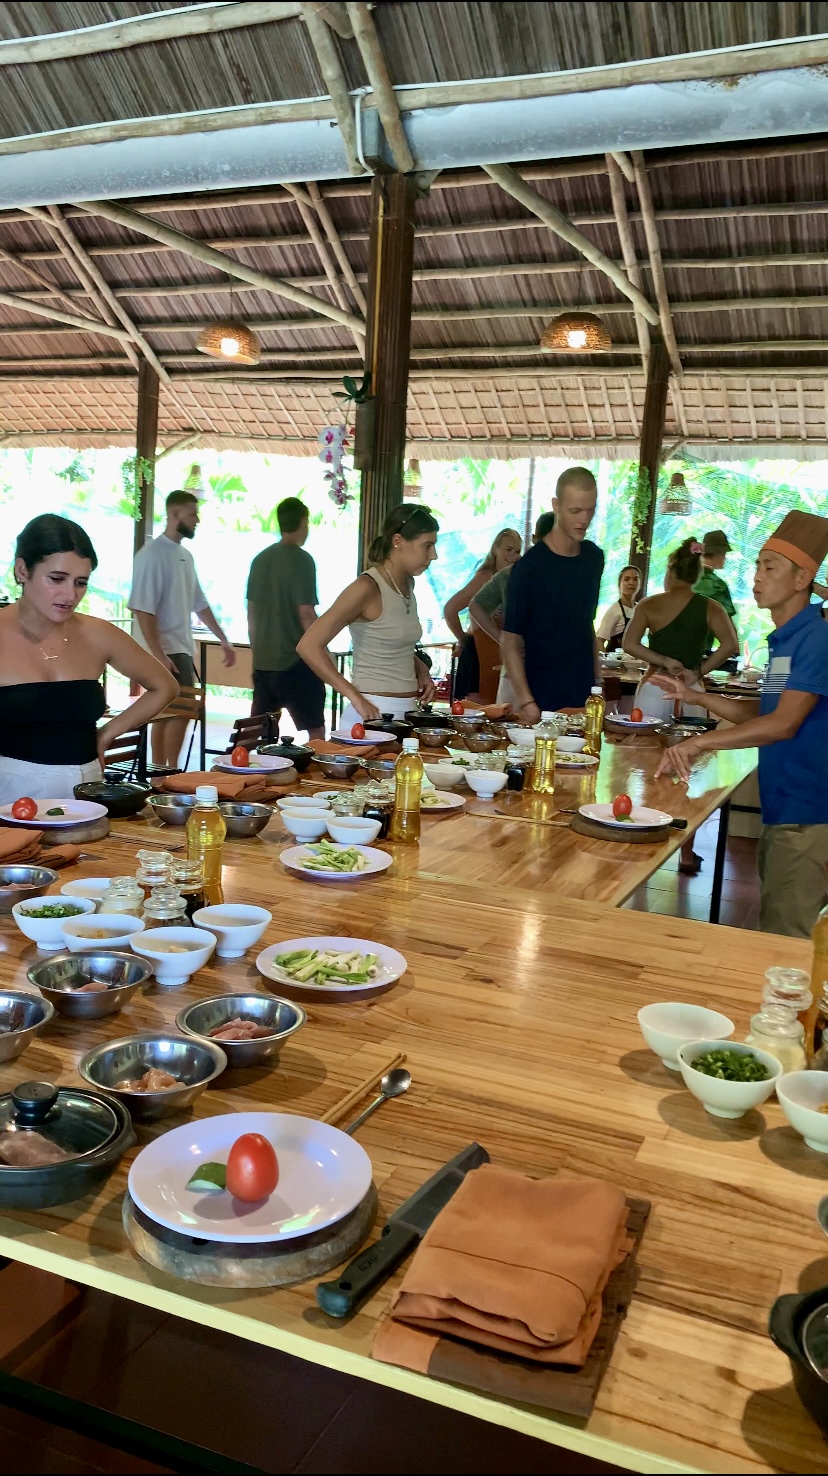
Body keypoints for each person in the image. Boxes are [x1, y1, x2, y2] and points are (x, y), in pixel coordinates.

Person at [653, 511, 828, 938]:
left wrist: (700, 743)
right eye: (757, 565)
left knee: (788, 942)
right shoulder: (787, 638)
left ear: (802, 579)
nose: (757, 576)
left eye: (770, 567)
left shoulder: (816, 638)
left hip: (808, 814)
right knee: (780, 930)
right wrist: (697, 697)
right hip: (785, 808)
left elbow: (783, 725)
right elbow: (765, 715)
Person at [0, 514, 177, 807]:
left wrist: (107, 734)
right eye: (57, 579)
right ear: (22, 570)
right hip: (10, 794)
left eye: (81, 582)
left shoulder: (98, 633)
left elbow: (165, 686)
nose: (70, 594)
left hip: (88, 789)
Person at [297, 503, 439, 728]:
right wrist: (354, 697)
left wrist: (420, 668)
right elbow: (308, 646)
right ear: (398, 541)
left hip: (407, 713)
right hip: (371, 715)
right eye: (427, 545)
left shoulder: (407, 584)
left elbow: (388, 641)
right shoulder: (366, 587)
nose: (434, 555)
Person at [129, 490, 236, 769]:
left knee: (171, 711)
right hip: (164, 650)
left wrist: (223, 639)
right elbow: (142, 609)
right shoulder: (151, 555)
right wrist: (158, 654)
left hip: (180, 647)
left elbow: (199, 603)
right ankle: (168, 770)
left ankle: (163, 771)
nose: (197, 519)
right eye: (192, 514)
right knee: (179, 710)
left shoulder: (185, 556)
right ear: (174, 514)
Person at [502, 469, 603, 721]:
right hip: (540, 694)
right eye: (575, 511)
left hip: (583, 693)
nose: (584, 519)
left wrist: (598, 683)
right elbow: (510, 640)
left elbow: (586, 623)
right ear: (556, 506)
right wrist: (527, 702)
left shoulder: (593, 558)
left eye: (590, 510)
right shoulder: (529, 568)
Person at [622, 538, 739, 722]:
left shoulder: (648, 604)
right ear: (697, 574)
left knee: (647, 738)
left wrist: (664, 661)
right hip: (691, 688)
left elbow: (629, 644)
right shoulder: (712, 607)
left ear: (670, 571)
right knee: (691, 740)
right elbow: (730, 645)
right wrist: (698, 673)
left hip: (655, 684)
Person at [246, 497, 325, 741]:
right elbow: (306, 614)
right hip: (296, 661)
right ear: (303, 522)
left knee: (261, 731)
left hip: (264, 662)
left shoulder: (260, 560)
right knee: (315, 730)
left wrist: (257, 652)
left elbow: (251, 612)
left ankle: (254, 764)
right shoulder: (303, 560)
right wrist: (323, 652)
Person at [469, 512, 555, 707]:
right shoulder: (511, 574)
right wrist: (500, 638)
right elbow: (475, 606)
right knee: (511, 720)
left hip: (548, 671)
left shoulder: (567, 577)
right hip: (517, 671)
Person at [443, 529, 522, 700]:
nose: (513, 556)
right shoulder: (485, 577)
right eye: (508, 549)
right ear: (495, 549)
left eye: (517, 551)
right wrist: (463, 640)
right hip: (479, 657)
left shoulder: (512, 579)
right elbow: (450, 609)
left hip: (498, 656)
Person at [693, 529, 737, 621]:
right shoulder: (718, 586)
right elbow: (726, 624)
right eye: (724, 554)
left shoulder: (683, 579)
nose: (725, 558)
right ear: (718, 553)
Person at [597, 565, 642, 653]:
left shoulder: (640, 609)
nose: (631, 583)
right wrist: (605, 659)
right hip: (615, 658)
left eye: (635, 579)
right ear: (619, 584)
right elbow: (599, 641)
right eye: (627, 579)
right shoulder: (614, 610)